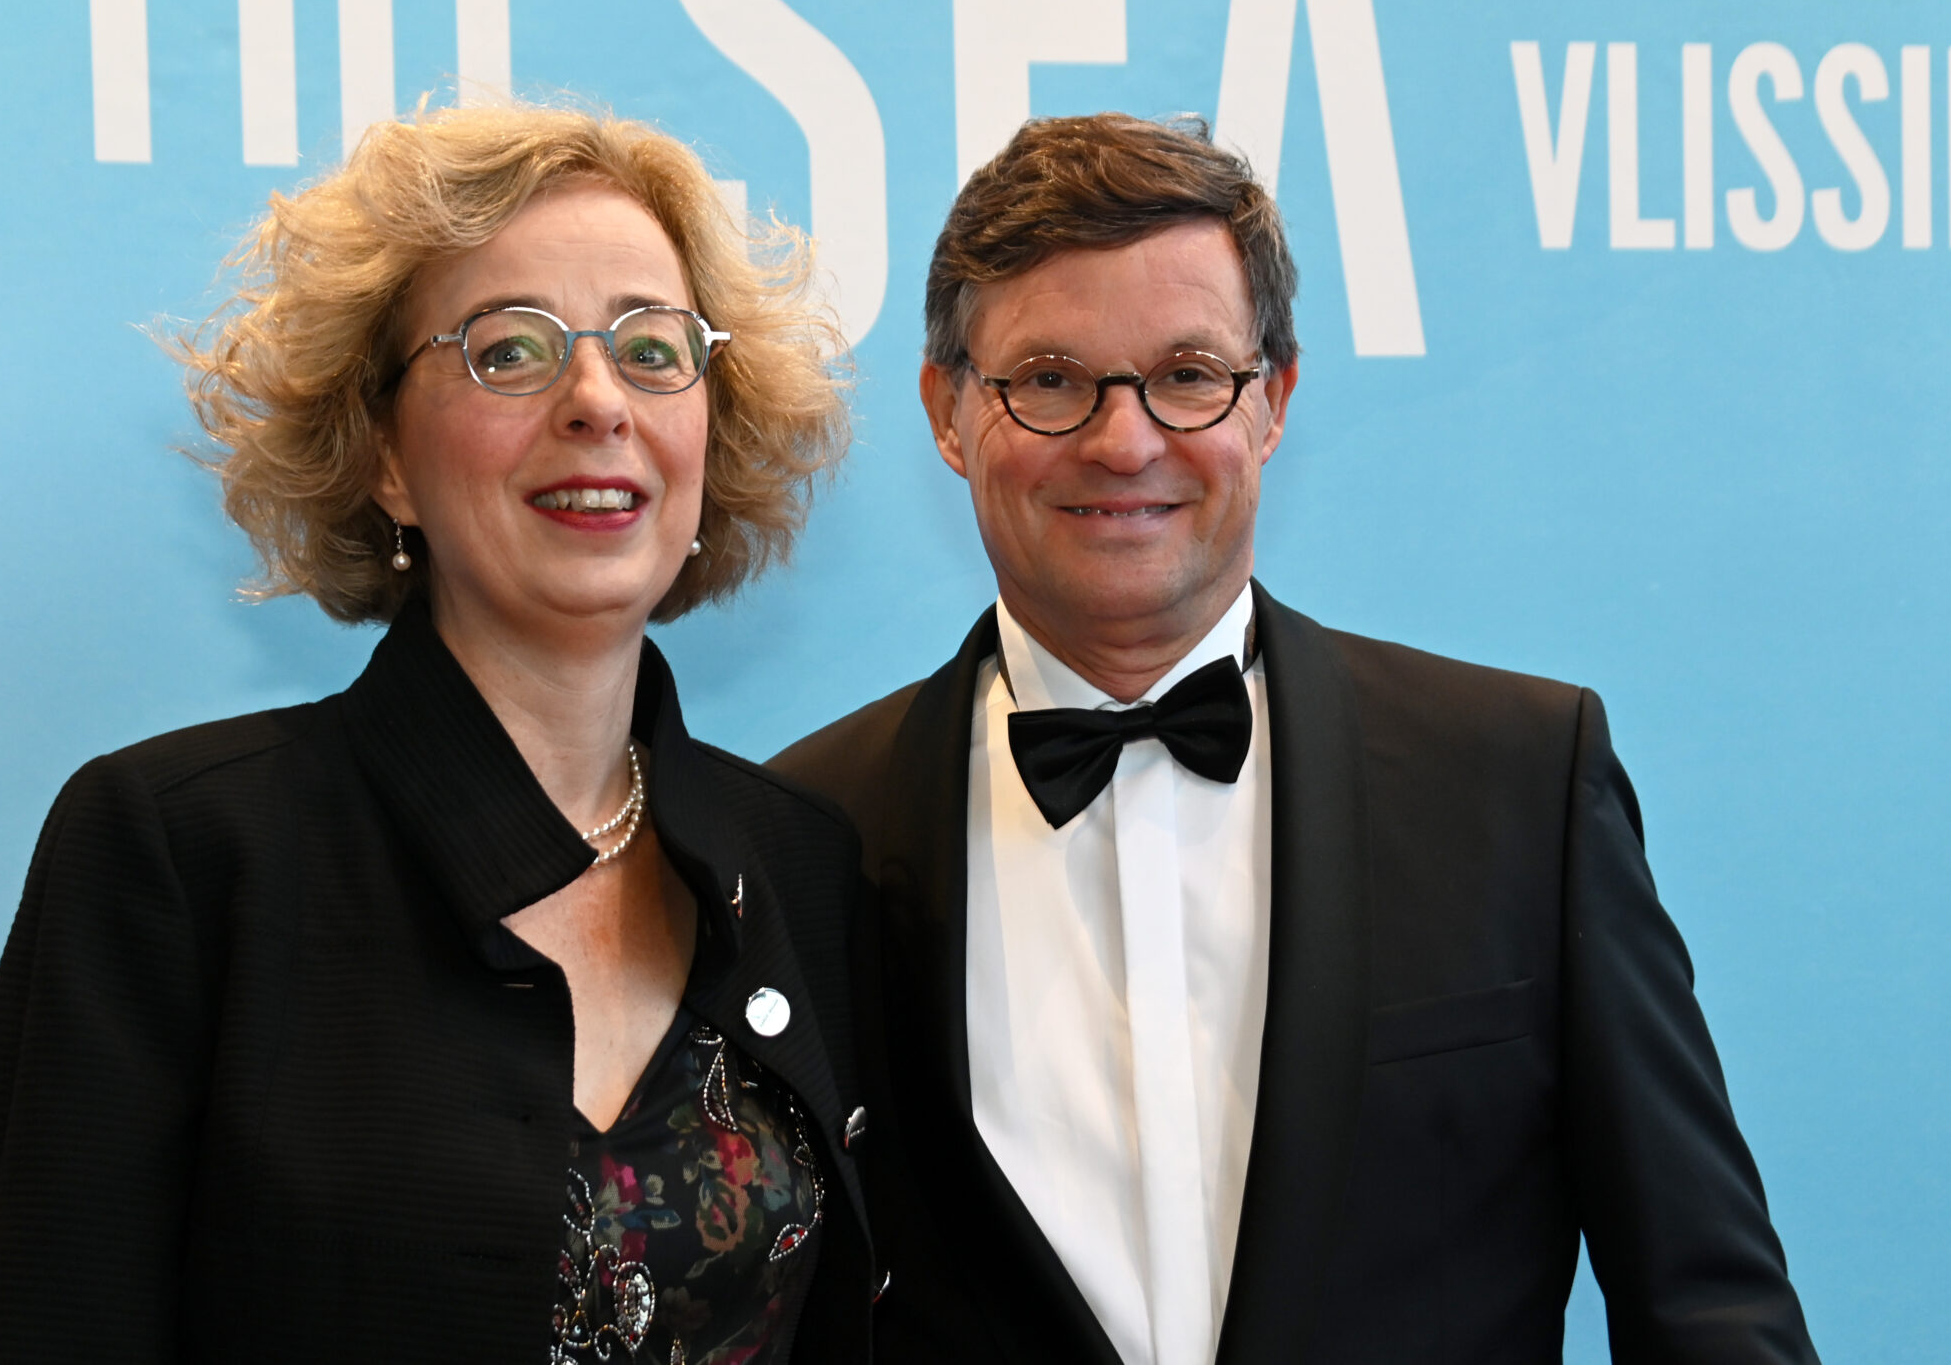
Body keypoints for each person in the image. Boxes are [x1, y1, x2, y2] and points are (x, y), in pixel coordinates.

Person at [771, 113, 1821, 1364]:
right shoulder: (801, 841)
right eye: (1049, 379)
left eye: (1188, 373)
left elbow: (1708, 1310)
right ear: (948, 411)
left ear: (1271, 399)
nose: (1124, 440)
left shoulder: (1521, 783)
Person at [0, 104, 879, 1364]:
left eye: (651, 348)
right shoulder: (180, 854)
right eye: (510, 349)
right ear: (384, 456)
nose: (597, 400)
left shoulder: (801, 863)